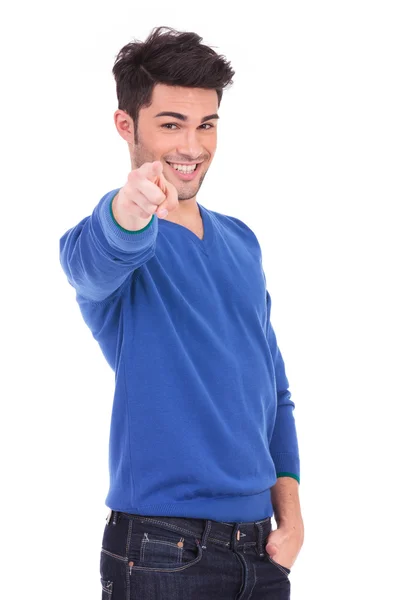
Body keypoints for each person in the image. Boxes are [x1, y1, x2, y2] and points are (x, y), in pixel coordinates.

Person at [59, 26, 304, 600]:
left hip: (261, 553)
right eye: (171, 124)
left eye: (206, 124)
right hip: (161, 553)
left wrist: (290, 517)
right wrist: (130, 207)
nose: (193, 146)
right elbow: (89, 263)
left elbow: (276, 393)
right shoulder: (119, 239)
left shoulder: (242, 243)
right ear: (127, 125)